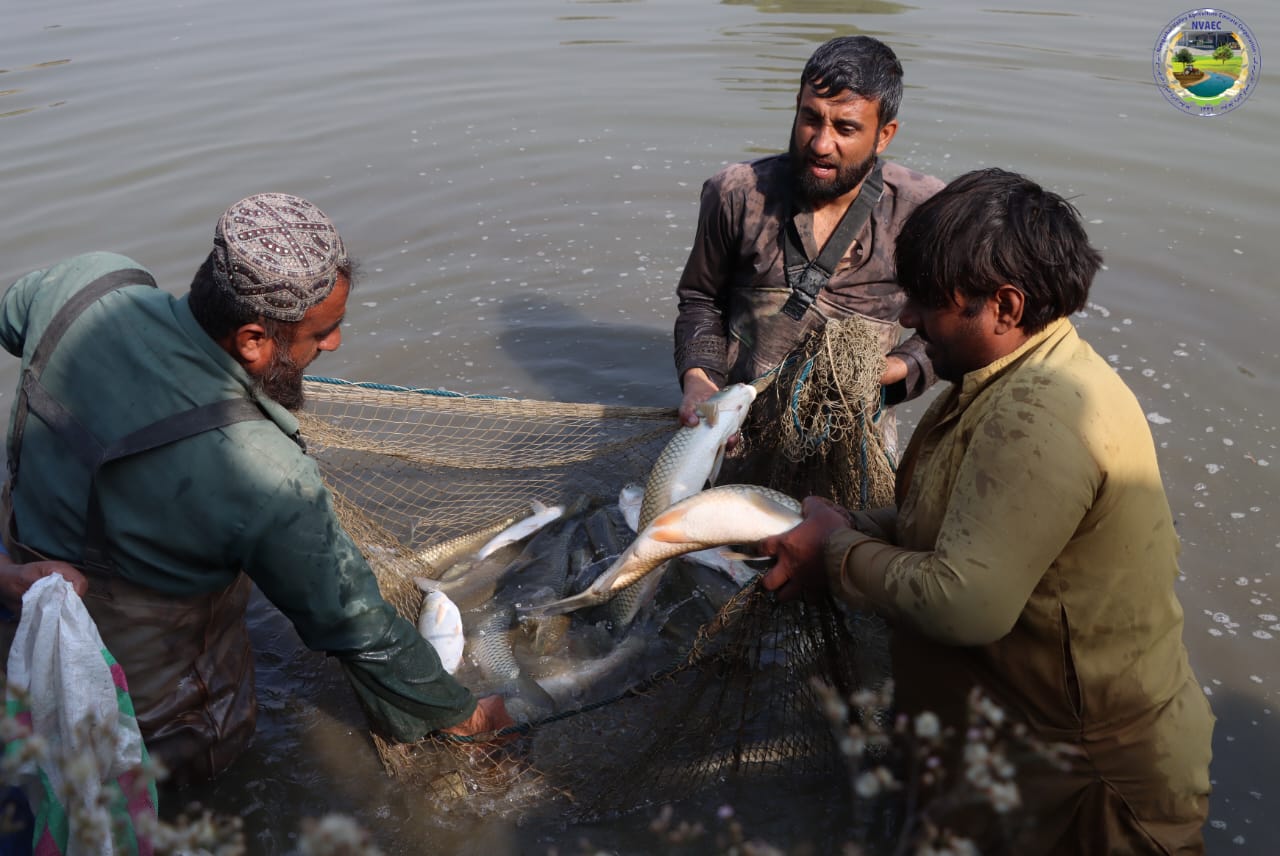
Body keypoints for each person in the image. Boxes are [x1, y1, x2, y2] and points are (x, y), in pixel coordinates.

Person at [759, 169, 1214, 853]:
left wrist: (835, 554)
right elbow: (944, 524)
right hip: (1006, 752)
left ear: (1004, 306)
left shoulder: (1041, 414)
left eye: (928, 303)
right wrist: (855, 523)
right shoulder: (992, 379)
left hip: (1089, 793)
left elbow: (966, 602)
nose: (907, 320)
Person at [0, 193, 511, 785]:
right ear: (251, 340)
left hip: (17, 600)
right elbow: (354, 624)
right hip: (147, 700)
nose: (335, 345)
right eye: (324, 331)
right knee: (190, 771)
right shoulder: (262, 470)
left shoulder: (84, 285)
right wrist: (462, 714)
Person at [673, 35, 945, 456]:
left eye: (846, 128)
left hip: (856, 442)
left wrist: (894, 368)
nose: (820, 143)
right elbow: (700, 299)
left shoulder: (924, 214)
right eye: (810, 118)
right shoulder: (737, 194)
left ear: (884, 135)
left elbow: (952, 323)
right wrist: (698, 379)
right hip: (739, 432)